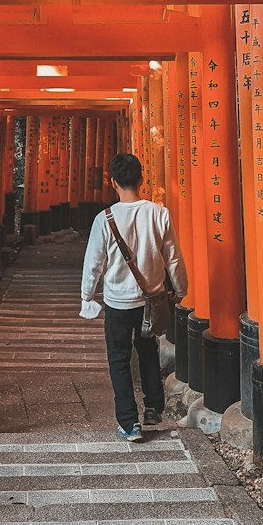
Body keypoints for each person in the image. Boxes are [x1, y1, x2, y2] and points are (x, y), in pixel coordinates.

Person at [80, 152, 188, 442]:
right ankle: (153, 407)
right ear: (142, 179)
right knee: (148, 350)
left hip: (117, 302)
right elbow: (173, 259)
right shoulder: (159, 213)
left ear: (113, 182)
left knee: (118, 359)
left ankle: (129, 423)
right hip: (150, 300)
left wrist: (87, 297)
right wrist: (180, 289)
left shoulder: (104, 219)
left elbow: (94, 263)